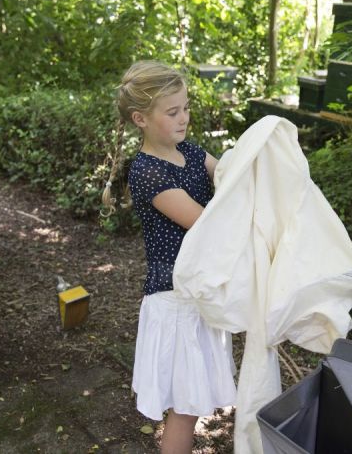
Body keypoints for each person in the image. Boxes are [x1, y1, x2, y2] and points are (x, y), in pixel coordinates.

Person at [101, 60, 236, 453]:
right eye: (172, 112)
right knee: (184, 409)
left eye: (186, 108)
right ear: (141, 118)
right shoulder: (146, 172)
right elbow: (204, 223)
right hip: (176, 299)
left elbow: (229, 173)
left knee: (191, 407)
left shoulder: (189, 152)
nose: (184, 118)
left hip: (199, 292)